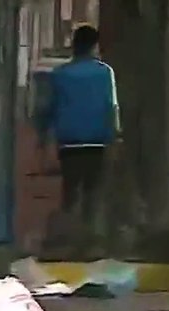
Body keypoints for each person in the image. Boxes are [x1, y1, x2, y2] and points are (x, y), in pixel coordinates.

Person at [36, 24, 119, 230]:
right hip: (97, 141)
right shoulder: (105, 73)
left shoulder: (59, 74)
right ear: (94, 46)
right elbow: (112, 107)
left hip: (69, 143)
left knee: (70, 192)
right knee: (93, 194)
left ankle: (68, 236)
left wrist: (43, 137)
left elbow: (48, 108)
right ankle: (89, 238)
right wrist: (115, 138)